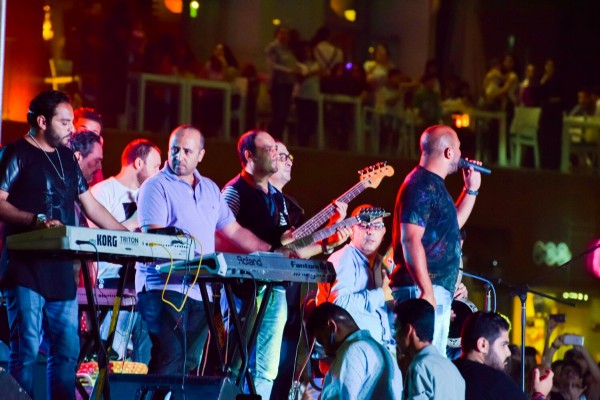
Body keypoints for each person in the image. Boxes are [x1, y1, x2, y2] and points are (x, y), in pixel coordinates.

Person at [0, 90, 126, 400]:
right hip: (25, 267)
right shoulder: (15, 152)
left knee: (67, 351)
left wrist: (127, 237)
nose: (72, 128)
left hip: (61, 268)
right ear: (42, 121)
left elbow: (90, 205)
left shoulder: (68, 158)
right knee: (27, 348)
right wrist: (34, 220)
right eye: (65, 122)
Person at [135, 125, 272, 375]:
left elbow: (235, 231)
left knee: (188, 363)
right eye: (174, 150)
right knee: (170, 358)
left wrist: (271, 253)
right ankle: (152, 393)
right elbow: (154, 238)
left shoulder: (209, 188)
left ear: (201, 155)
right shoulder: (155, 186)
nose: (179, 156)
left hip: (201, 289)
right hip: (164, 287)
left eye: (187, 151)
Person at [220, 130, 346, 399]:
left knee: (267, 368)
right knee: (234, 364)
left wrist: (328, 241)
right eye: (269, 149)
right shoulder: (234, 191)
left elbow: (289, 249)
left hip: (274, 288)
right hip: (241, 289)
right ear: (249, 156)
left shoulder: (277, 199)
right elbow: (219, 234)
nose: (276, 154)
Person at [390, 124, 482, 357]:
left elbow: (452, 226)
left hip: (433, 288)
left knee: (432, 360)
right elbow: (411, 240)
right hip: (421, 289)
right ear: (449, 152)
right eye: (459, 148)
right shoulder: (420, 186)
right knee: (421, 361)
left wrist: (471, 190)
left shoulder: (434, 186)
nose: (461, 155)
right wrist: (427, 291)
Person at [89, 139, 162, 364]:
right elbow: (92, 242)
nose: (159, 172)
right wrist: (133, 222)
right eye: (156, 166)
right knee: (112, 357)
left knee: (146, 360)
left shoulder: (152, 196)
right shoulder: (102, 192)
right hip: (111, 285)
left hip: (145, 285)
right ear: (139, 163)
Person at [316, 204, 395, 353]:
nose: (370, 231)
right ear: (351, 230)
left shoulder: (381, 263)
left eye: (377, 226)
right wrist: (381, 295)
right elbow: (339, 306)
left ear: (384, 232)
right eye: (363, 225)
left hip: (379, 350)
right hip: (354, 352)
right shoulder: (344, 258)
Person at [305, 303, 403, 400]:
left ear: (331, 326)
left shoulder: (351, 352)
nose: (326, 351)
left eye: (322, 341)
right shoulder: (383, 352)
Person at [453, 311, 554, 400]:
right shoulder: (496, 382)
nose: (508, 352)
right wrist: (539, 394)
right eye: (503, 345)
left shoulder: (449, 371)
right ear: (483, 345)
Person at [394, 298, 465, 399]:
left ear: (408, 330)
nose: (395, 336)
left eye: (396, 328)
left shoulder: (420, 367)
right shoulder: (453, 370)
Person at [265, 26, 300, 138]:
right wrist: (287, 70)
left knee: (284, 112)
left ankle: (278, 136)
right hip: (278, 82)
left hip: (288, 83)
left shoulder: (288, 49)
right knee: (278, 111)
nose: (285, 36)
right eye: (282, 33)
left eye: (286, 34)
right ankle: (273, 136)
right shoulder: (273, 48)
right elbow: (272, 65)